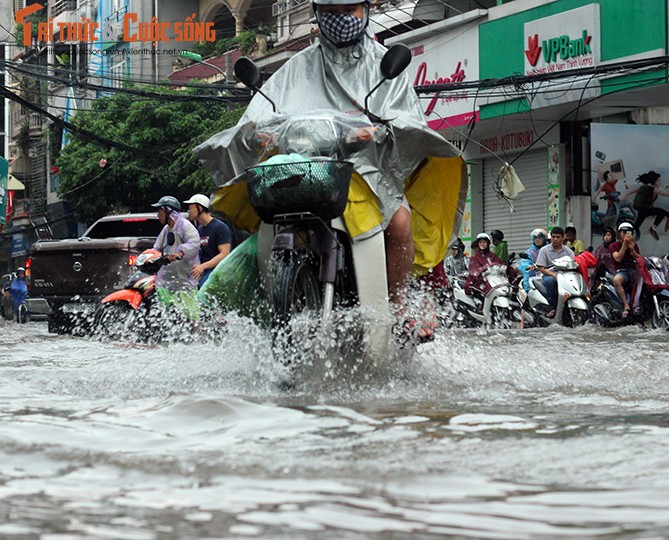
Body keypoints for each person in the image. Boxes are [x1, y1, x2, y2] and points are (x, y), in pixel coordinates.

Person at [194, 0, 466, 341]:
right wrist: (258, 131)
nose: (340, 19)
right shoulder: (296, 67)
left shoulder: (385, 66)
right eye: (331, 12)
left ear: (365, 10)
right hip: (306, 169)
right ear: (318, 15)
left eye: (348, 10)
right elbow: (260, 113)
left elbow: (408, 120)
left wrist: (378, 130)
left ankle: (396, 308)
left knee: (399, 222)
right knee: (263, 222)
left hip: (368, 172)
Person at [151, 196, 201, 317]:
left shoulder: (185, 226)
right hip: (167, 281)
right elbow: (156, 248)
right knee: (166, 316)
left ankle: (198, 336)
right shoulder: (166, 229)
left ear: (168, 211)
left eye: (160, 211)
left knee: (192, 317)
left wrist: (180, 253)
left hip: (185, 281)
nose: (158, 215)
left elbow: (194, 243)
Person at [184, 194, 232, 288]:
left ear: (200, 208)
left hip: (217, 271)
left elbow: (224, 254)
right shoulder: (200, 229)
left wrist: (203, 266)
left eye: (190, 207)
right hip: (203, 270)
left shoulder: (219, 227)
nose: (188, 211)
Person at [535, 226, 575, 318]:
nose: (555, 239)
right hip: (549, 275)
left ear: (563, 238)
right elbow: (541, 267)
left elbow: (574, 263)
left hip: (566, 277)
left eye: (558, 237)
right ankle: (553, 307)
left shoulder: (568, 251)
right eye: (553, 237)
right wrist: (554, 275)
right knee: (549, 281)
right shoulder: (544, 250)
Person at [625, 170, 669, 240]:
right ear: (655, 181)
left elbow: (635, 190)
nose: (660, 182)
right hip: (645, 210)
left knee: (636, 226)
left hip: (642, 210)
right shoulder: (655, 189)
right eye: (659, 180)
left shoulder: (647, 188)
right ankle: (653, 228)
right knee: (663, 212)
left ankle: (625, 233)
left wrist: (626, 195)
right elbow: (667, 194)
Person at [610, 222, 641, 318]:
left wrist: (632, 249)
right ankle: (625, 305)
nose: (626, 234)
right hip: (622, 271)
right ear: (619, 233)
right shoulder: (613, 245)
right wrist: (624, 245)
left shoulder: (634, 245)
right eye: (624, 232)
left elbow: (639, 259)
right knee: (617, 280)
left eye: (629, 232)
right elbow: (618, 258)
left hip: (634, 270)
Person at [464, 232, 504, 297]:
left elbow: (500, 264)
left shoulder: (492, 255)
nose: (482, 244)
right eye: (480, 242)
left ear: (487, 243)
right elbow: (474, 272)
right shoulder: (474, 257)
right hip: (480, 284)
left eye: (484, 242)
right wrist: (487, 267)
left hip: (494, 282)